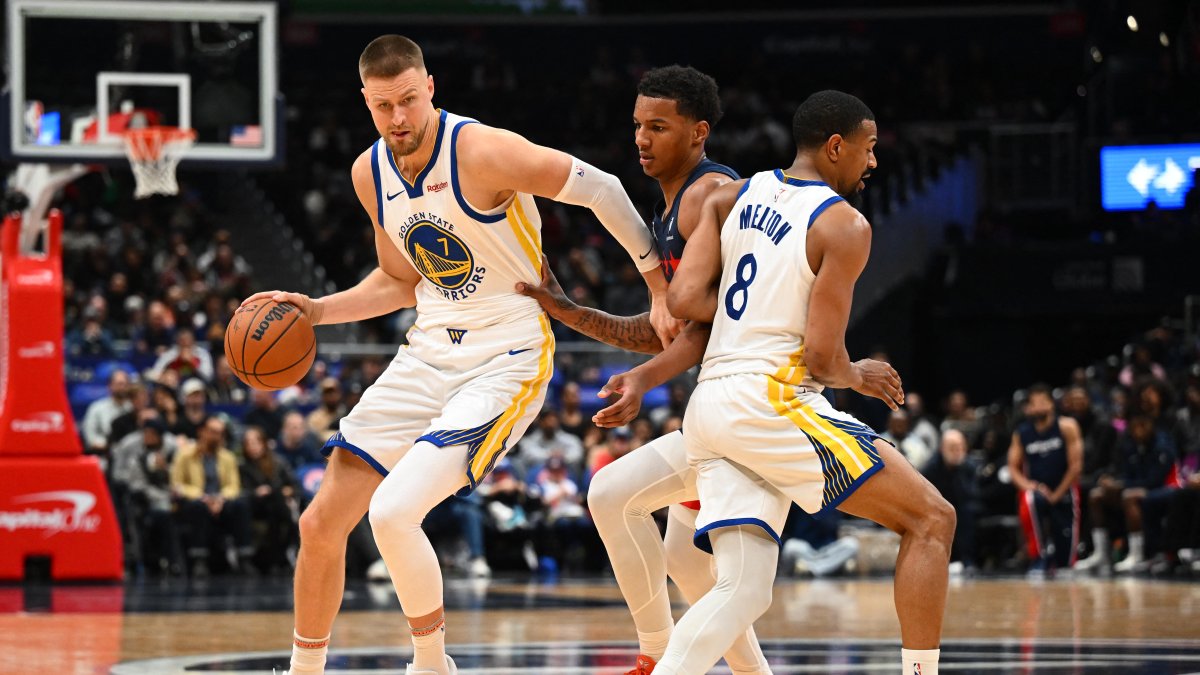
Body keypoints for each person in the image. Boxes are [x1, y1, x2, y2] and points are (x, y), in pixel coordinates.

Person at [242, 35, 676, 675]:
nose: (399, 119)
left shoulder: (479, 149)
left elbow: (603, 187)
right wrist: (316, 309)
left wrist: (657, 284)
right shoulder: (370, 172)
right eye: (384, 106)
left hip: (509, 351)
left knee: (393, 512)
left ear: (430, 89)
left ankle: (431, 665)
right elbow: (398, 280)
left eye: (409, 101)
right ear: (366, 102)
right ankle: (306, 671)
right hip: (428, 349)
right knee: (320, 522)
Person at [655, 90, 955, 675]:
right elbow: (821, 359)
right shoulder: (845, 225)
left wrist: (759, 306)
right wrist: (858, 374)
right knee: (931, 519)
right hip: (769, 399)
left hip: (709, 402)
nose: (873, 163)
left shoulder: (731, 194)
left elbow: (683, 298)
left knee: (740, 590)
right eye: (868, 149)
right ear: (836, 146)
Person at [518, 65, 769, 674]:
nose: (642, 138)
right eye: (637, 125)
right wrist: (568, 311)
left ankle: (655, 653)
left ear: (699, 132)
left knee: (613, 495)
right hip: (718, 414)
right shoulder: (671, 211)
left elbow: (714, 329)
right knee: (684, 560)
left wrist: (644, 379)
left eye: (659, 126)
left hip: (758, 407)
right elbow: (659, 332)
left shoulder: (712, 197)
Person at [1007, 384, 1083, 575]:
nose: (1039, 407)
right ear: (1028, 408)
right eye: (1034, 403)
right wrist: (1030, 485)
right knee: (1029, 499)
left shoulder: (1067, 426)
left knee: (1066, 565)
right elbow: (1013, 468)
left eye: (1043, 402)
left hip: (1064, 487)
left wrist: (1057, 494)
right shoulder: (1022, 433)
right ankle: (1038, 557)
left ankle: (1063, 559)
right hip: (1039, 489)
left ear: (1051, 404)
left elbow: (1076, 466)